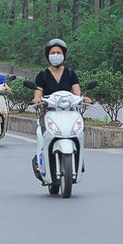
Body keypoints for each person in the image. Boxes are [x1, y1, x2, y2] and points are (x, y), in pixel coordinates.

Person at [30, 38, 91, 174]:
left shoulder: (70, 73)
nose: (56, 55)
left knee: (79, 132)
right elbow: (38, 91)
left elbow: (77, 92)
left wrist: (83, 98)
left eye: (59, 52)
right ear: (48, 55)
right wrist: (36, 98)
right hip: (49, 112)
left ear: (63, 55)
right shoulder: (43, 75)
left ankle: (79, 160)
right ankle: (43, 163)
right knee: (44, 135)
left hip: (69, 112)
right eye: (53, 52)